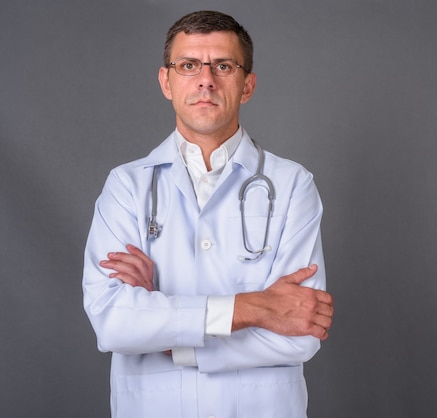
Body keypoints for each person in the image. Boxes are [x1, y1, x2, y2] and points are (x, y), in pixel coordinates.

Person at [82, 10, 333, 418]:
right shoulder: (127, 185)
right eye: (188, 65)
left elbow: (299, 333)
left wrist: (165, 331)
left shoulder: (292, 185)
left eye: (223, 65)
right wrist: (257, 308)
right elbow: (113, 322)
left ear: (247, 84)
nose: (205, 80)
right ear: (166, 81)